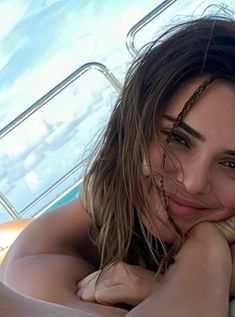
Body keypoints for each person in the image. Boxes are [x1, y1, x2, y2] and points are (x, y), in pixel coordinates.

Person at [0, 15, 235, 317]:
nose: (193, 182)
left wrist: (171, 278)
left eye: (231, 163)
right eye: (177, 138)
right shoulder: (41, 256)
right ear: (133, 127)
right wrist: (207, 251)